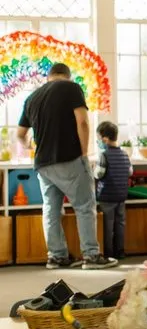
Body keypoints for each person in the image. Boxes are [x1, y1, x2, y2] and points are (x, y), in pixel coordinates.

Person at [17, 63, 117, 269]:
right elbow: (82, 122)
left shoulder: (32, 98)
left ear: (49, 76)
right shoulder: (71, 88)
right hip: (68, 158)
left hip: (43, 164)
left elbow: (20, 135)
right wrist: (83, 154)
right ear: (67, 76)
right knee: (84, 206)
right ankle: (91, 256)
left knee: (51, 210)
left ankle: (56, 256)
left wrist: (30, 146)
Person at [94, 121, 132, 260]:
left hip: (107, 196)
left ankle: (108, 253)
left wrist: (93, 169)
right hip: (121, 196)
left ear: (105, 139)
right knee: (120, 224)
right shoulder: (125, 154)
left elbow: (98, 174)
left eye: (98, 139)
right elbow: (129, 172)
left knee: (108, 226)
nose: (98, 142)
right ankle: (120, 251)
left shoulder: (104, 155)